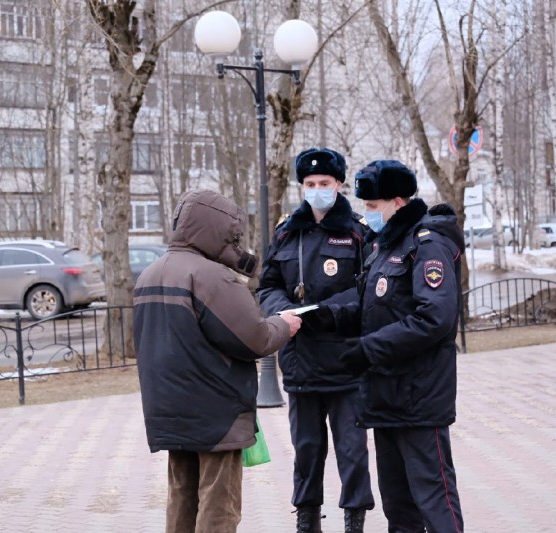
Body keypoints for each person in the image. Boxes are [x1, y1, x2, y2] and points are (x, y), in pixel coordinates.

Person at [304, 160, 465, 532]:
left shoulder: (428, 245)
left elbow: (434, 318)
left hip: (420, 398)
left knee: (434, 500)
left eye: (373, 207)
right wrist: (327, 313)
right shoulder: (385, 247)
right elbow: (369, 303)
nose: (367, 214)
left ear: (397, 201)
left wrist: (369, 349)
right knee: (398, 505)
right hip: (385, 397)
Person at [133, 189, 302, 533]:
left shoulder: (150, 273)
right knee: (219, 506)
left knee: (181, 498)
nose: (235, 241)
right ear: (215, 228)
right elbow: (256, 338)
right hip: (215, 413)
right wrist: (285, 324)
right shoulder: (212, 277)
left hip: (168, 409)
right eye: (232, 234)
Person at [258, 147, 374, 533]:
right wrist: (282, 311)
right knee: (306, 451)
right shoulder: (286, 232)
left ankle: (354, 520)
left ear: (339, 184)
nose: (317, 190)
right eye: (309, 184)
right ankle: (307, 520)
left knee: (352, 453)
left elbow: (368, 291)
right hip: (300, 361)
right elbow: (268, 285)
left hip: (344, 361)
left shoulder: (358, 232)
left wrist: (327, 311)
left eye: (324, 183)